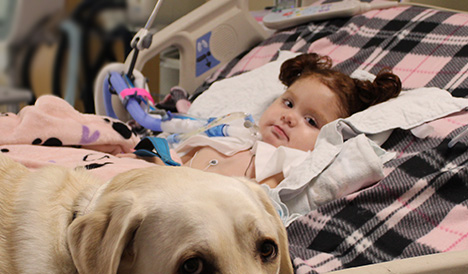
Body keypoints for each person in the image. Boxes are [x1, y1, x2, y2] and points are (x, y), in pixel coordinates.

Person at [125, 53, 402, 187]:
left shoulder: (291, 165)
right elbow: (181, 139)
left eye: (311, 121)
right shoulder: (237, 128)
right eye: (289, 103)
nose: (289, 117)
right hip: (158, 169)